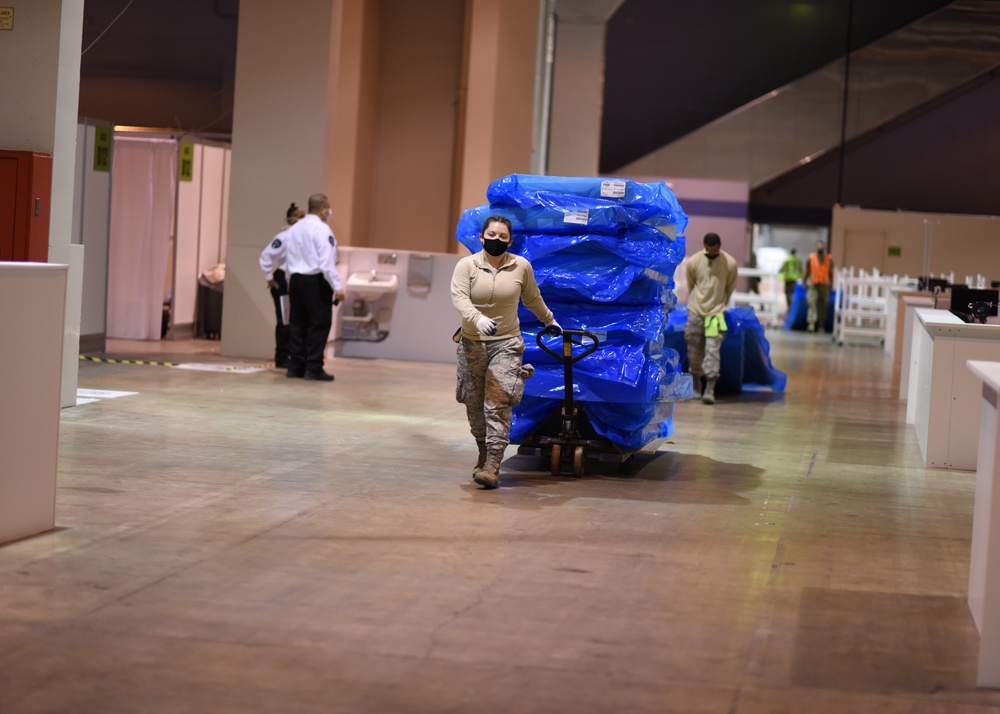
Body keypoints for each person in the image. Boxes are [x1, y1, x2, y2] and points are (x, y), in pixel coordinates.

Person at [451, 215, 561, 489]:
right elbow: (459, 297)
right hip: (472, 344)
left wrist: (549, 320)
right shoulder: (466, 265)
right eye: (492, 234)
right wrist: (477, 319)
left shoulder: (520, 266)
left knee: (497, 404)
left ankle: (492, 466)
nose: (496, 240)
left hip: (507, 344)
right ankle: (483, 451)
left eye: (502, 237)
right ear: (481, 236)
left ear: (510, 241)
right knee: (475, 406)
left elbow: (532, 297)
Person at [283, 193, 345, 381]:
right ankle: (314, 368)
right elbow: (326, 264)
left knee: (297, 324)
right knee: (318, 325)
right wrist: (338, 287)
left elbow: (287, 258)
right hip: (315, 282)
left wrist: (290, 282)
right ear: (323, 209)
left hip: (295, 281)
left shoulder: (293, 229)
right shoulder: (322, 230)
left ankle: (296, 367)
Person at [685, 232, 738, 405]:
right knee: (694, 351)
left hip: (716, 313)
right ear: (704, 247)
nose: (711, 254)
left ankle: (710, 388)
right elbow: (691, 285)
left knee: (712, 351)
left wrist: (720, 305)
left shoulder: (729, 263)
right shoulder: (693, 261)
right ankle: (696, 385)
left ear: (719, 247)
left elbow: (729, 288)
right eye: (709, 251)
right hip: (696, 311)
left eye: (714, 251)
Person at [259, 202, 305, 368]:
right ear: (291, 219)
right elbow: (265, 257)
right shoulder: (283, 237)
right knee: (284, 321)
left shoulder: (302, 237)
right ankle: (282, 357)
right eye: (300, 216)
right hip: (282, 281)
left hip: (294, 281)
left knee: (294, 321)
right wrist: (270, 278)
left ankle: (294, 354)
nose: (303, 220)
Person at [804, 240, 834, 333]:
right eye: (818, 246)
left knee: (823, 306)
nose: (820, 248)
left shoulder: (829, 259)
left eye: (822, 246)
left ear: (824, 248)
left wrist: (831, 284)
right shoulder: (811, 258)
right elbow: (807, 270)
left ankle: (821, 326)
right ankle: (811, 324)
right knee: (811, 302)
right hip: (813, 283)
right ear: (815, 247)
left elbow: (831, 272)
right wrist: (804, 281)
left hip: (824, 284)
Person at [778, 247, 803, 315]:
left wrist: (780, 273)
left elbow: (782, 268)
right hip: (794, 279)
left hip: (787, 278)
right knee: (792, 293)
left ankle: (789, 308)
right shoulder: (797, 260)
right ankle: (791, 308)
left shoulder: (787, 260)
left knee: (787, 293)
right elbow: (800, 269)